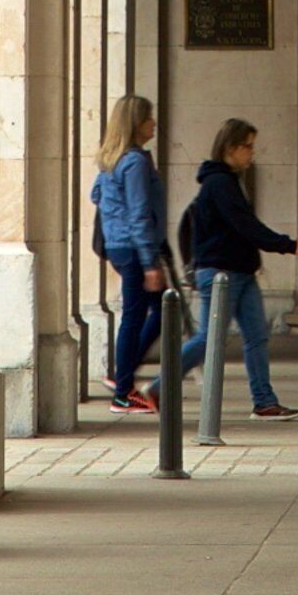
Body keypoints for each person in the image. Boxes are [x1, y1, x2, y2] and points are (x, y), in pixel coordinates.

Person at [175, 117, 298, 418]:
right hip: (222, 272)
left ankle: (264, 401)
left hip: (240, 271)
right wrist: (288, 245)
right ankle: (161, 386)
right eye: (247, 147)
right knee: (210, 338)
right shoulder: (220, 184)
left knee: (256, 335)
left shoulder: (228, 182)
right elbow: (245, 226)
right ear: (231, 148)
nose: (252, 153)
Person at [89, 94, 171, 412]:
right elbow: (139, 213)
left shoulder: (112, 159)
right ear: (137, 124)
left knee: (148, 312)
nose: (154, 123)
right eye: (149, 118)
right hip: (135, 248)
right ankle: (123, 390)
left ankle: (122, 375)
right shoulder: (135, 161)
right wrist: (150, 261)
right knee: (139, 315)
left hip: (118, 245)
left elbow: (96, 194)